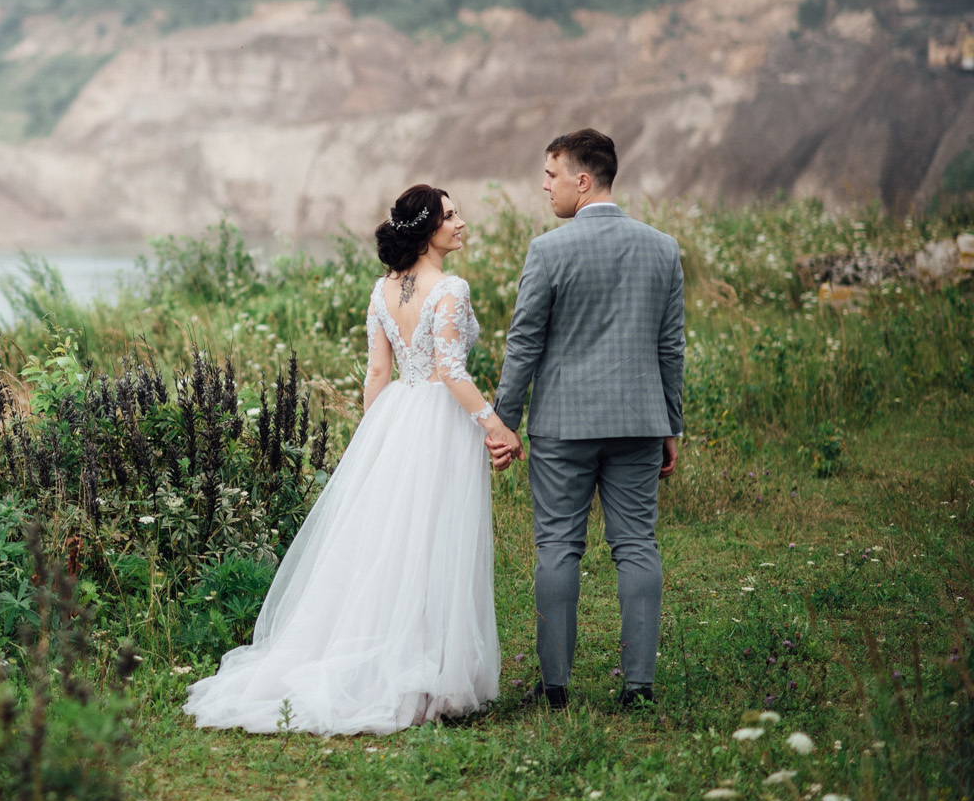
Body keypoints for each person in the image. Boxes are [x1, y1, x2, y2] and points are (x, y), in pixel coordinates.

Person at [182, 185, 501, 735]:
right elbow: (451, 369)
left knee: (394, 544)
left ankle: (407, 665)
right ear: (427, 231)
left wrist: (371, 444)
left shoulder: (382, 292)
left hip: (397, 417)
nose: (462, 223)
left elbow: (377, 373)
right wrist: (493, 424)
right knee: (432, 541)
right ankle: (422, 675)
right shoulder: (450, 288)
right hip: (439, 422)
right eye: (450, 216)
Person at [486, 128, 684, 710]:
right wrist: (670, 425)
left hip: (562, 427)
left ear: (582, 179)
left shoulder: (548, 251)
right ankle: (638, 687)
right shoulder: (663, 248)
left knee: (557, 548)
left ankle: (555, 690)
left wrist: (504, 421)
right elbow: (670, 348)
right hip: (640, 422)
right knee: (637, 547)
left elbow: (524, 344)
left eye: (551, 175)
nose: (544, 187)